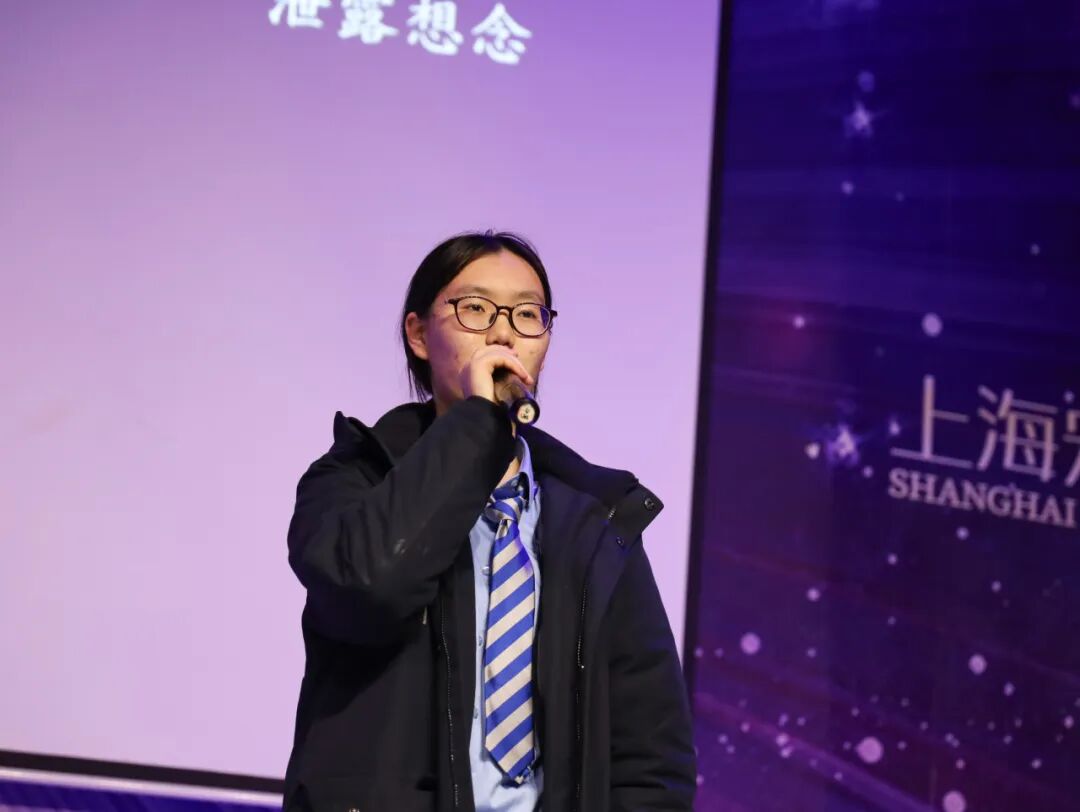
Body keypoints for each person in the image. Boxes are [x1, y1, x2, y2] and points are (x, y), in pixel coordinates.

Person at [283, 231, 696, 812]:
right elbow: (369, 588)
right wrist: (477, 422)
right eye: (475, 309)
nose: (503, 333)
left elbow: (651, 754)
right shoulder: (355, 478)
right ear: (418, 334)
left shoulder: (597, 519)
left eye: (527, 314)